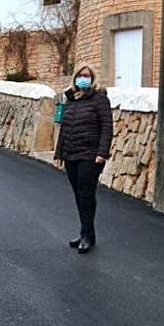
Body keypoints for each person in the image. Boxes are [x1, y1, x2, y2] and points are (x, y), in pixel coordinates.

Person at [54, 65, 113, 254]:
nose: (83, 78)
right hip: (71, 154)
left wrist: (102, 153)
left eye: (87, 76)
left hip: (90, 155)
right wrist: (59, 154)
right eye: (80, 75)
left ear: (93, 78)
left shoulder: (100, 99)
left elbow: (106, 127)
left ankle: (86, 235)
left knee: (86, 193)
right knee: (78, 194)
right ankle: (87, 232)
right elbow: (64, 128)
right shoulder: (71, 99)